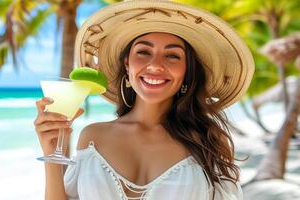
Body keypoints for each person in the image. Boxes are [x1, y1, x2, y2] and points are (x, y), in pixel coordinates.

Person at [34, 0, 254, 199]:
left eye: (172, 55)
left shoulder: (207, 140)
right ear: (127, 65)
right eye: (143, 52)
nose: (156, 65)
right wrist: (52, 151)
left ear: (187, 72)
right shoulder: (93, 137)